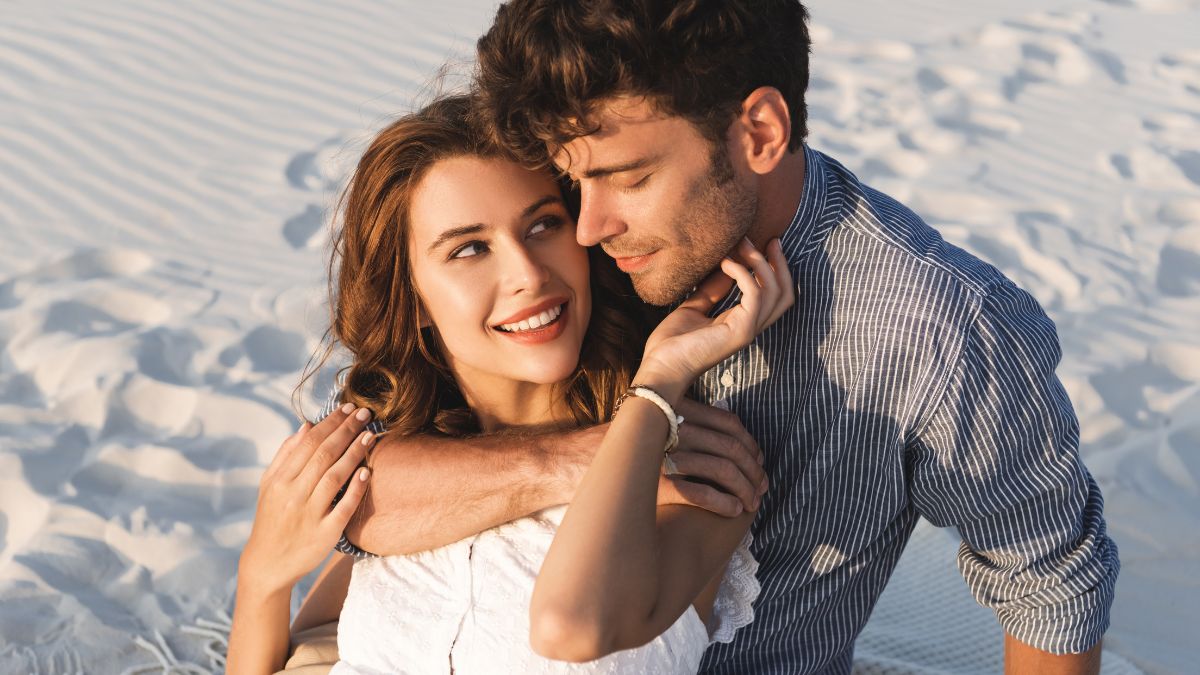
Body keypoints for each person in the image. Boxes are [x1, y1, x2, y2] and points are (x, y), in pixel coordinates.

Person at [339, 1, 1121, 674]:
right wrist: (583, 457)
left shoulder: (943, 333)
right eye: (574, 180)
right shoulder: (571, 252)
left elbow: (1049, 580)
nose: (586, 226)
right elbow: (361, 474)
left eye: (629, 178)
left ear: (759, 131)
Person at [226, 94, 792, 674]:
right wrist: (261, 579)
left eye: (544, 224)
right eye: (470, 249)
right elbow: (313, 654)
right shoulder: (405, 477)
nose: (527, 274)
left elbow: (575, 625)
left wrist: (656, 391)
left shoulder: (692, 464)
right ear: (412, 298)